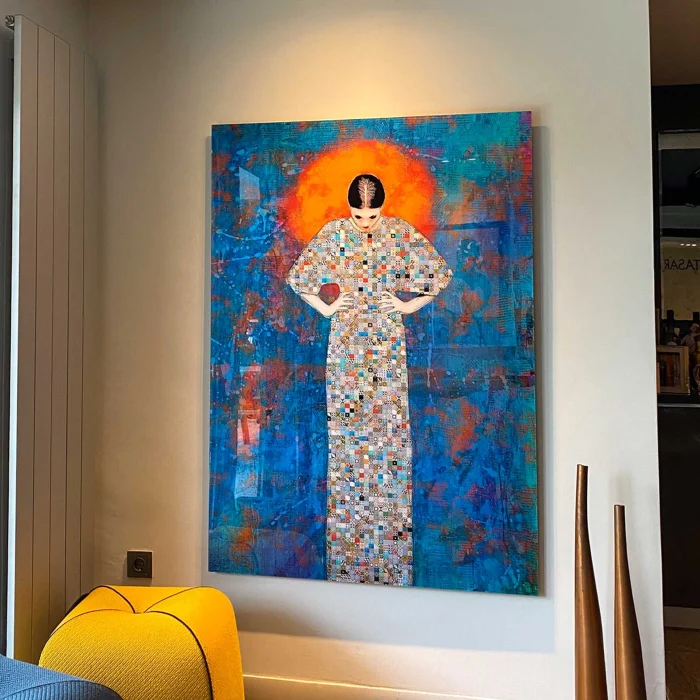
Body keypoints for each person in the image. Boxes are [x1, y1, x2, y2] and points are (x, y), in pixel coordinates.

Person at [287, 174, 452, 585]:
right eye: (358, 215)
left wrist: (408, 306)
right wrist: (326, 308)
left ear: (383, 208)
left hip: (386, 346)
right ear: (348, 208)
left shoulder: (398, 233)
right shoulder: (334, 234)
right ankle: (348, 559)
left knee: (389, 439)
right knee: (347, 442)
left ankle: (391, 562)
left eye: (372, 215)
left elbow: (440, 274)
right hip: (345, 346)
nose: (365, 222)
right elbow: (298, 278)